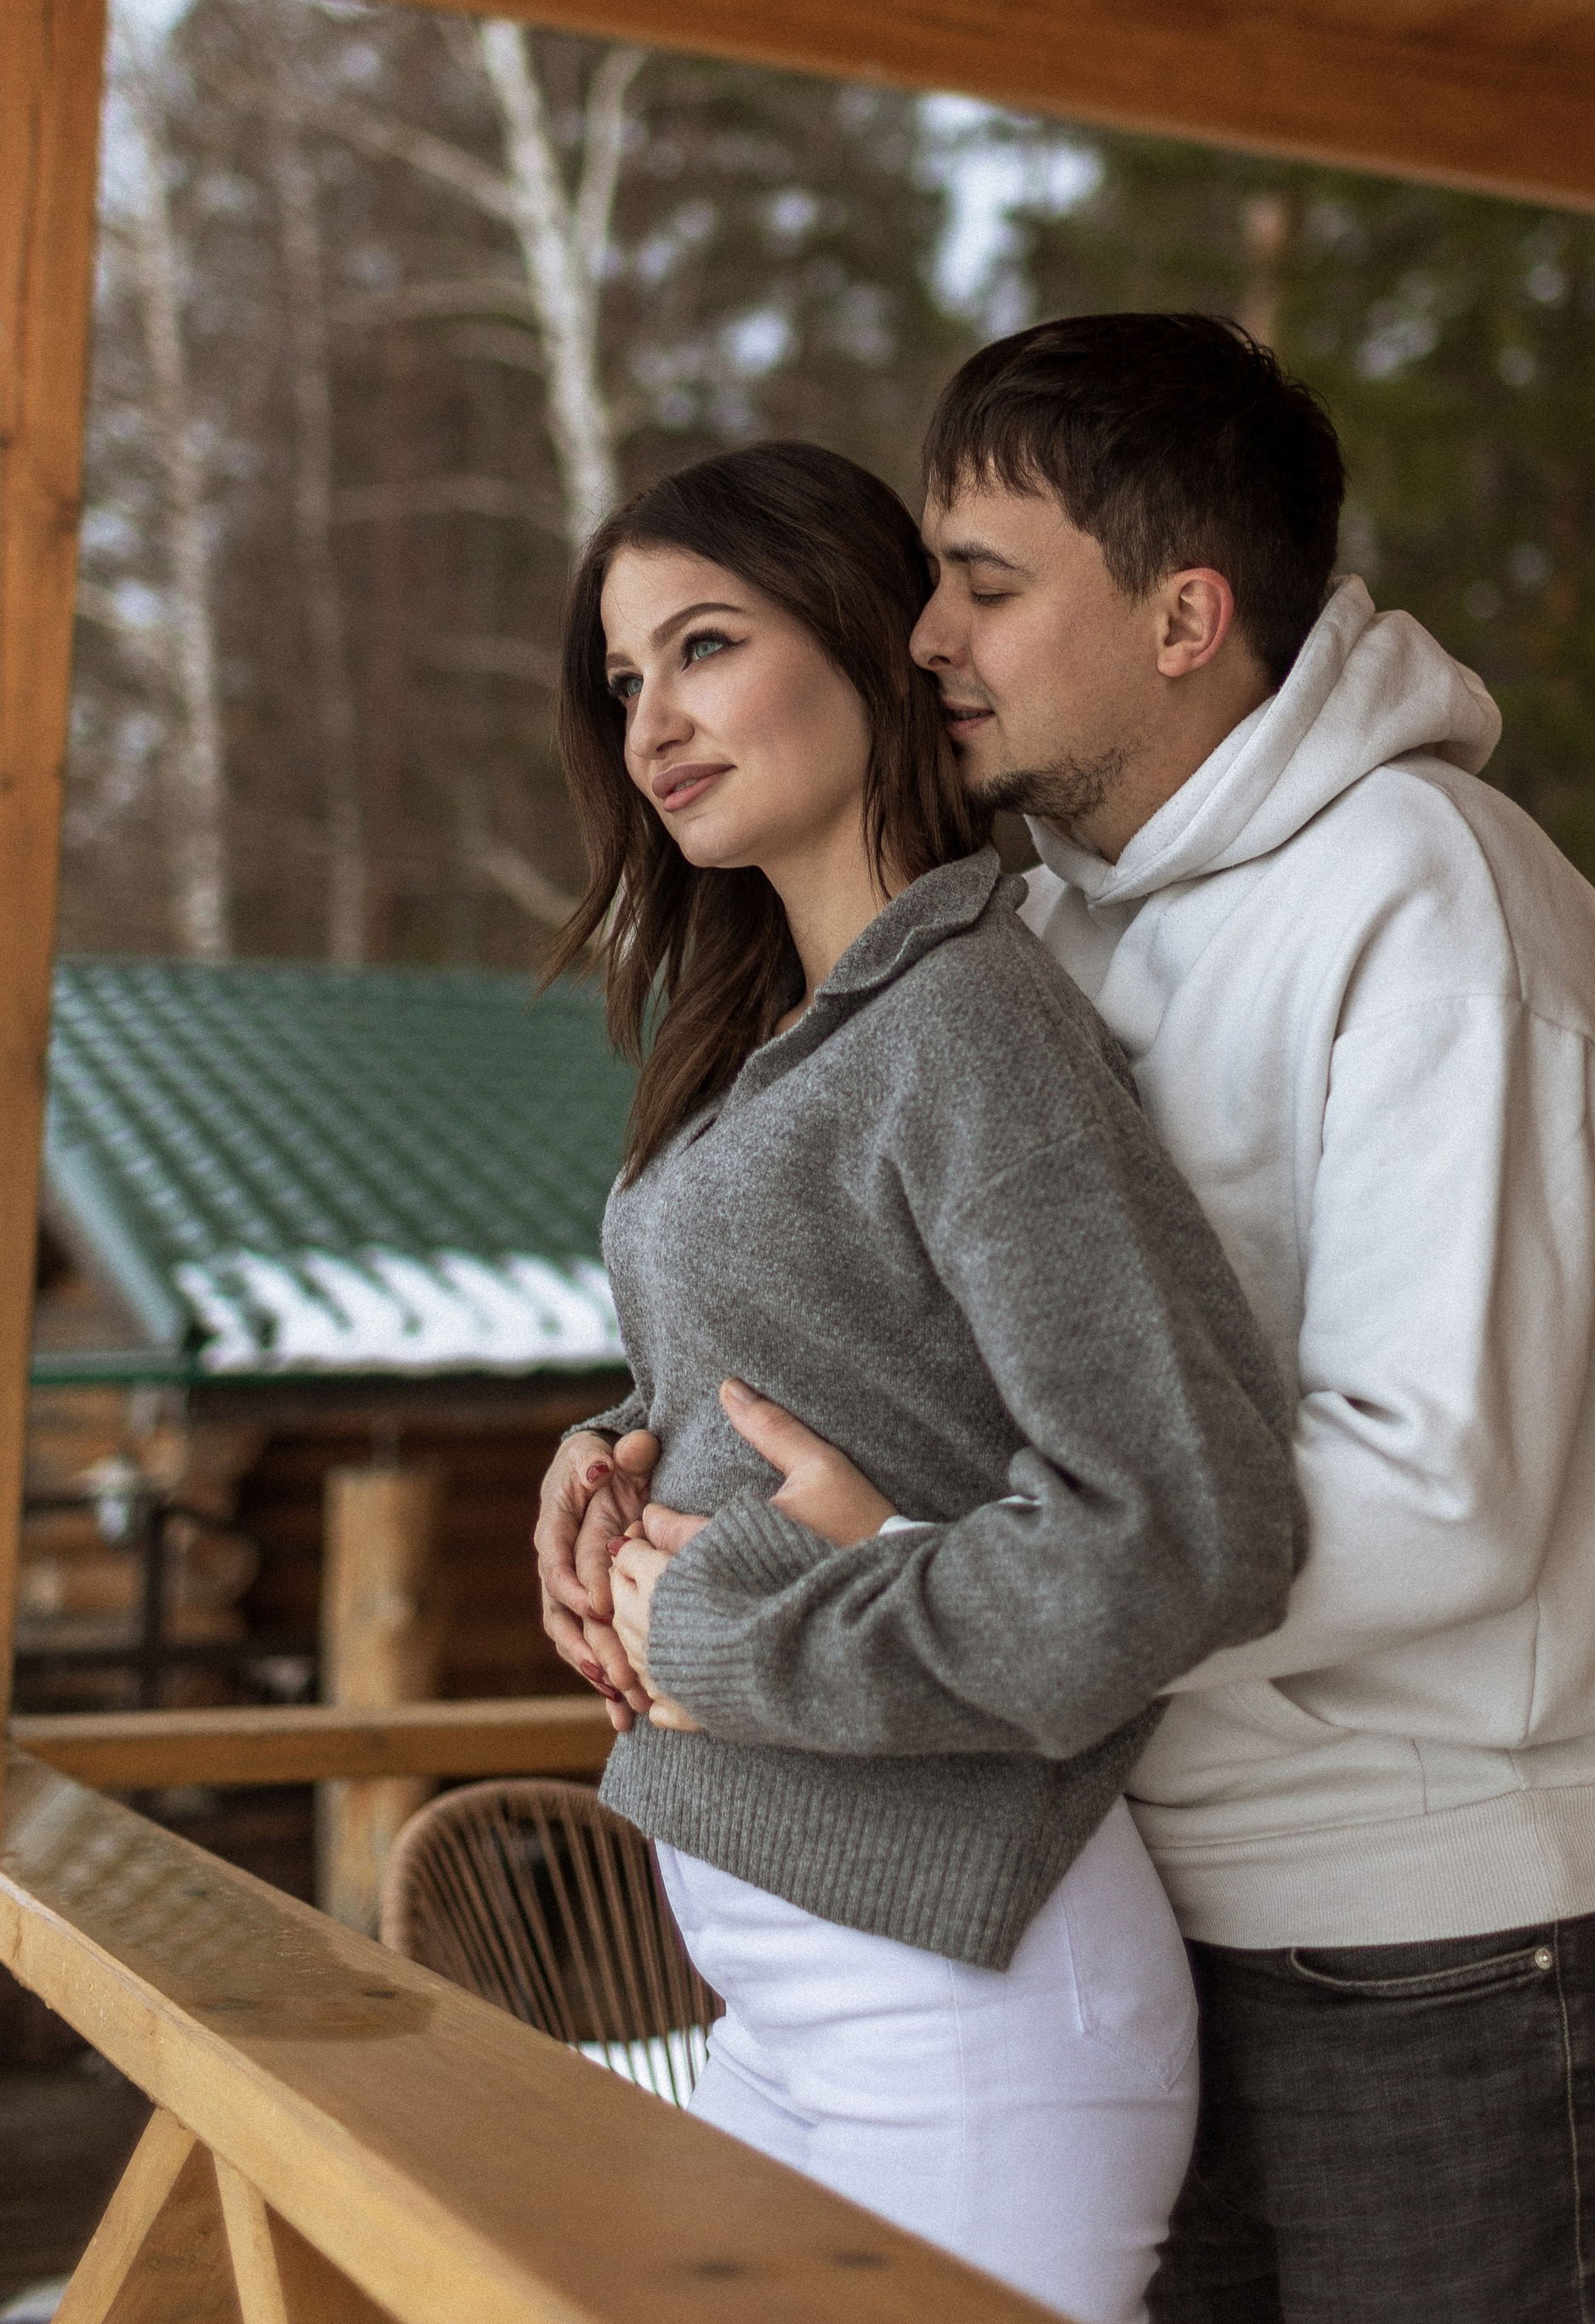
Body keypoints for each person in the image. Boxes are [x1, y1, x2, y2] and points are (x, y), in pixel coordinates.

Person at [544, 317, 1595, 2324]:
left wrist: (886, 1585)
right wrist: (659, 1463)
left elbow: (1442, 1495)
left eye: (986, 588)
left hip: (1447, 1944)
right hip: (1136, 1899)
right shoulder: (1050, 925)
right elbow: (957, 1342)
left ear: (1185, 616)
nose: (926, 634)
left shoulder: (1438, 916)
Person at [536, 435, 1303, 2324]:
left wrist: (729, 1629)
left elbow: (1188, 1527)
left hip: (964, 1998)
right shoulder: (780, 1030)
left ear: (876, 645)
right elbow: (822, 1388)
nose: (655, 723)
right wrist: (616, 1458)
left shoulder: (965, 1022)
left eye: (704, 646)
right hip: (781, 1961)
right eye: (627, 681)